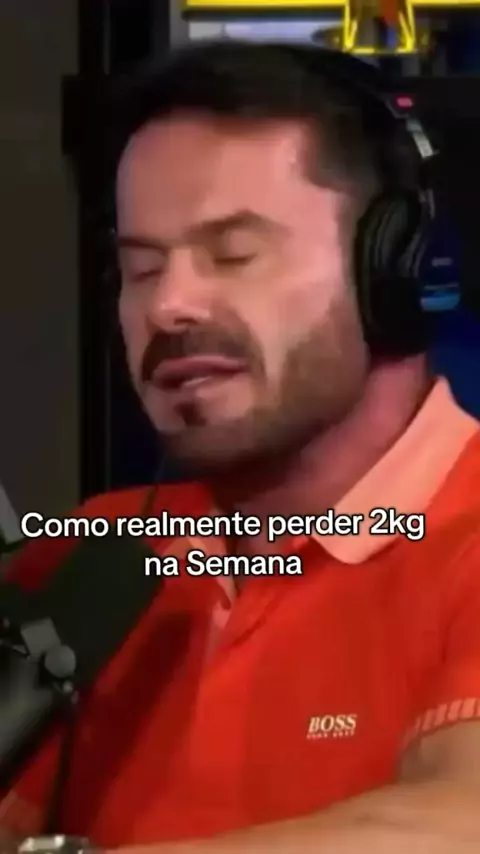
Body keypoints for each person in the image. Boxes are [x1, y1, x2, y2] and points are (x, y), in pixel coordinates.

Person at [2, 40, 480, 854]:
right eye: (141, 269)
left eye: (233, 255)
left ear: (394, 273)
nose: (170, 305)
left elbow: (460, 821)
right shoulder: (90, 560)